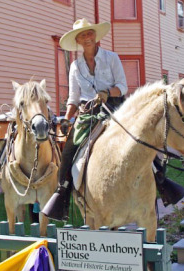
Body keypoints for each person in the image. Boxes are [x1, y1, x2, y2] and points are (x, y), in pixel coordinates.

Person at [41, 18, 128, 221]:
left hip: (114, 107)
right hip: (87, 113)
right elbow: (73, 98)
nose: (87, 38)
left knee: (137, 135)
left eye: (89, 33)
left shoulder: (112, 58)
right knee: (69, 151)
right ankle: (62, 195)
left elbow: (123, 86)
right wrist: (67, 119)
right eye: (82, 35)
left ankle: (160, 180)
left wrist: (108, 92)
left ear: (95, 36)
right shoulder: (75, 66)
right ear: (78, 41)